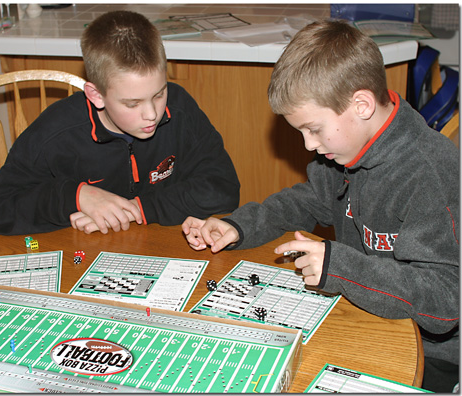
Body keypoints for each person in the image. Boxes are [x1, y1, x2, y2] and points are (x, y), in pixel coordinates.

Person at [182, 20, 459, 393]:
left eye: (313, 129)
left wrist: (339, 265)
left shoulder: (428, 172)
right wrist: (239, 226)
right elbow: (306, 200)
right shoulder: (346, 150)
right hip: (364, 317)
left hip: (432, 355)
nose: (308, 145)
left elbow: (444, 303)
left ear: (360, 104)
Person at [0, 10, 240, 236]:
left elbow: (223, 187)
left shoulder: (180, 110)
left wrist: (137, 208)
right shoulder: (56, 132)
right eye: (132, 103)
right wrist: (78, 196)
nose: (151, 114)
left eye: (159, 94)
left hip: (160, 248)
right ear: (96, 95)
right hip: (82, 258)